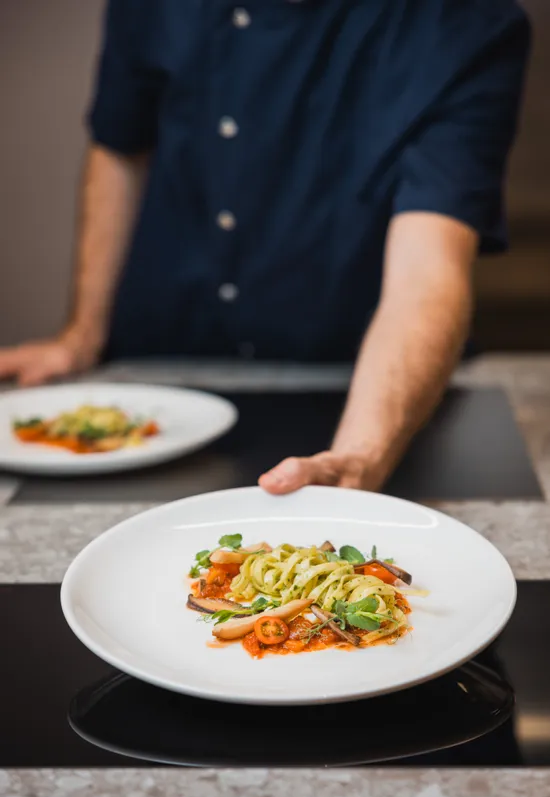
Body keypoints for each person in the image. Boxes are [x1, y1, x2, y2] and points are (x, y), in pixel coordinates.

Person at [0, 0, 530, 495]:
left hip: (355, 378)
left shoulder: (467, 21)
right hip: (163, 359)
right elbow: (119, 146)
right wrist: (82, 333)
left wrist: (361, 452)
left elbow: (428, 268)